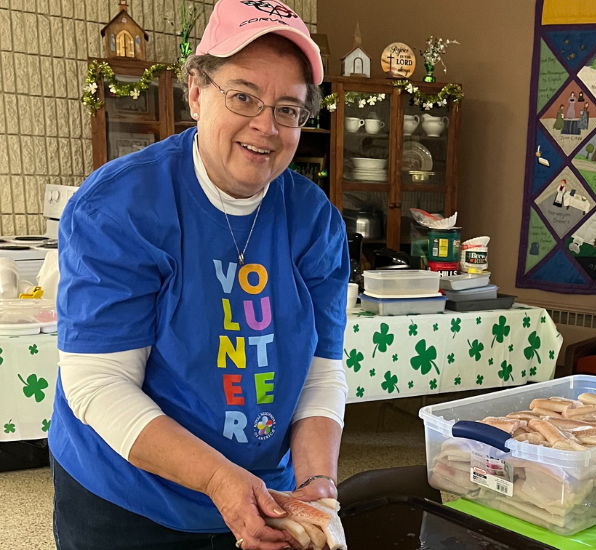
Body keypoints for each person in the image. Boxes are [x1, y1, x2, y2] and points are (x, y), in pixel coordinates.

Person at [49, 1, 348, 549]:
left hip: (264, 495)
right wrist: (216, 478)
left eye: (288, 109)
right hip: (130, 498)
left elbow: (320, 375)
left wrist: (316, 486)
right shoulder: (120, 208)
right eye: (243, 96)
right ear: (195, 92)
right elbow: (98, 383)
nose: (265, 126)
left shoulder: (314, 222)